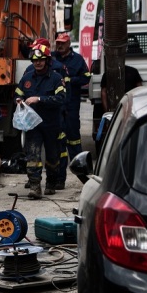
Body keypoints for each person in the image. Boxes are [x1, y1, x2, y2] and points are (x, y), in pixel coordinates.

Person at [16, 39, 66, 199]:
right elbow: (18, 92)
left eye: (41, 60)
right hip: (32, 125)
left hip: (51, 124)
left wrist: (39, 99)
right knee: (33, 156)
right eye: (35, 60)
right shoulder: (27, 78)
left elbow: (61, 99)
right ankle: (35, 187)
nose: (38, 63)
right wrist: (18, 99)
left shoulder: (56, 78)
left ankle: (51, 183)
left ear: (47, 60)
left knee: (52, 157)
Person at [53, 32, 91, 176]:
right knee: (57, 138)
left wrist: (70, 80)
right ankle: (57, 170)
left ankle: (80, 167)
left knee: (73, 137)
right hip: (56, 106)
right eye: (58, 43)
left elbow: (86, 77)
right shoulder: (52, 58)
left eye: (63, 43)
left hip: (71, 105)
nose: (60, 45)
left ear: (69, 44)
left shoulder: (78, 60)